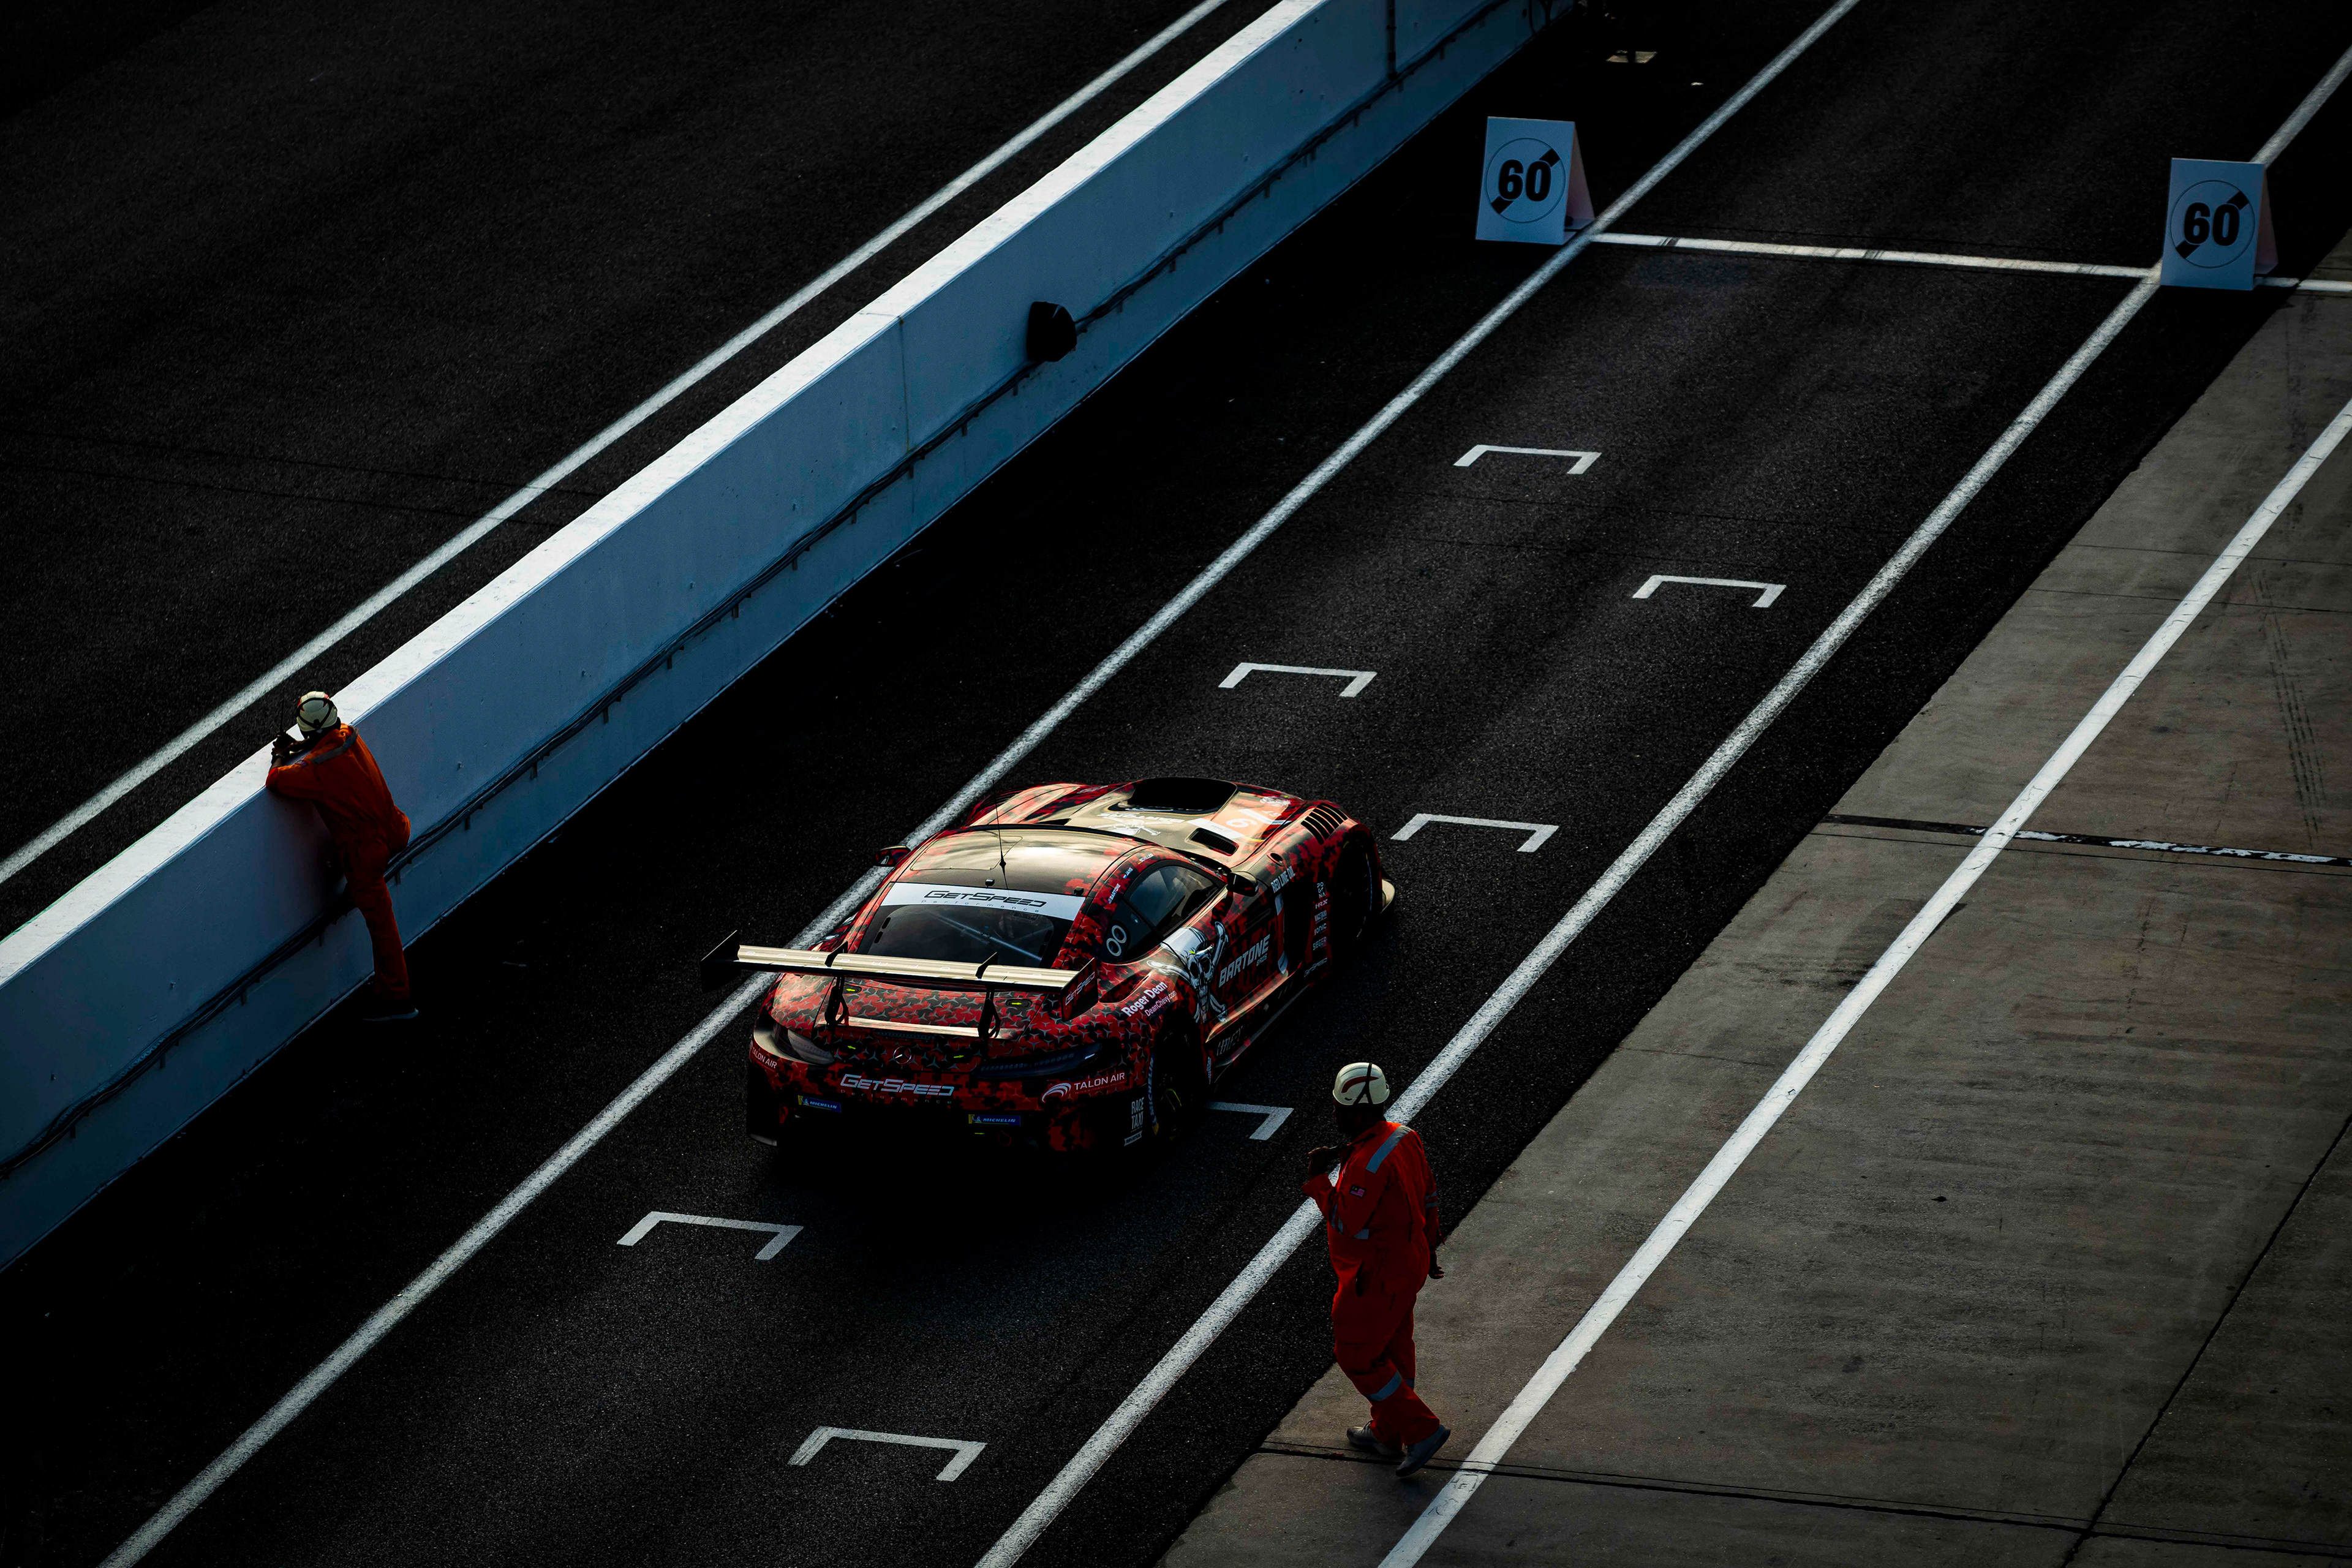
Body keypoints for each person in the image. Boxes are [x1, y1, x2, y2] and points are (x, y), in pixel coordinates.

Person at [1302, 1061, 1450, 1477]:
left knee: (1357, 1355)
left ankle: (1421, 1429)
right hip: (1411, 1260)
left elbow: (1348, 1221)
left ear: (1361, 1112)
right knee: (1395, 1344)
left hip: (1376, 1275)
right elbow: (1429, 1194)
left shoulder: (1366, 1165)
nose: (1334, 1114)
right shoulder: (1404, 1137)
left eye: (1340, 1108)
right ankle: (1388, 1433)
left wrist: (1318, 1182)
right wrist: (1431, 1245)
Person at [266, 692, 417, 1022]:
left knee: (382, 926)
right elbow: (325, 749)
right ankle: (356, 889)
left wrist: (281, 756)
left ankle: (397, 1000)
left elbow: (276, 781)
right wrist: (300, 748)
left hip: (367, 853)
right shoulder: (350, 735)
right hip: (394, 828)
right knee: (348, 863)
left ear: (306, 732)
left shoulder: (317, 770)